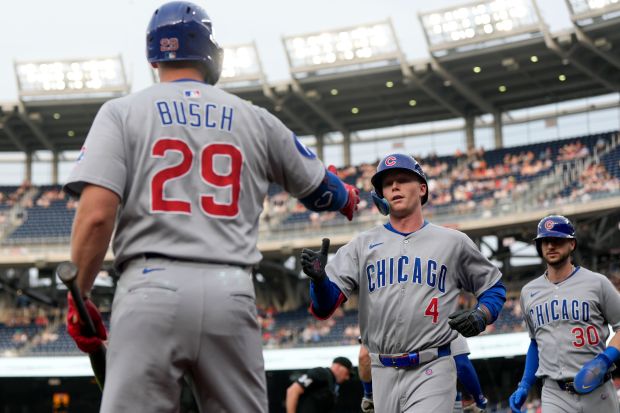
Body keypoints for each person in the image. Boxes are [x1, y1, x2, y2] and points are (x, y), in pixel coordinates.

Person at [62, 2, 360, 412]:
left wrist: (79, 294)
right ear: (210, 52)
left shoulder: (121, 112)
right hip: (230, 289)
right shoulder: (254, 118)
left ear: (153, 55)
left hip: (149, 287)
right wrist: (347, 197)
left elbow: (96, 216)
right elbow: (320, 190)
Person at [300, 153, 505, 412]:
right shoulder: (362, 244)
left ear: (422, 188)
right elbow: (324, 307)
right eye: (387, 184)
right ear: (381, 195)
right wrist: (318, 281)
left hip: (433, 366)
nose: (394, 186)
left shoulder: (453, 241)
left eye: (402, 179)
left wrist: (481, 315)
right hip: (382, 372)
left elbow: (494, 288)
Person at [509, 215, 620, 413]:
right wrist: (524, 384)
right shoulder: (528, 292)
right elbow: (535, 342)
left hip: (598, 389)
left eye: (557, 240)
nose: (550, 246)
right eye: (545, 241)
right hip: (555, 393)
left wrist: (605, 359)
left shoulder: (597, 282)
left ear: (572, 244)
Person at [358, 335, 488, 413]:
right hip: (432, 394)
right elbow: (462, 365)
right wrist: (479, 399)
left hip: (388, 394)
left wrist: (368, 395)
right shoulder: (441, 309)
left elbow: (364, 357)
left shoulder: (381, 314)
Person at [285, 357, 353, 413]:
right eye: (347, 373)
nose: (347, 378)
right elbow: (292, 391)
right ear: (338, 366)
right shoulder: (321, 373)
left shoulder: (332, 383)